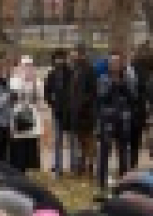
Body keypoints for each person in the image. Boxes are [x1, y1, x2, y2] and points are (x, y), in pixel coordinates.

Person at [96, 52, 135, 192]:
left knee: (123, 153)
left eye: (118, 62)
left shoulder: (128, 78)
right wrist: (112, 85)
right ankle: (101, 182)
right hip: (107, 120)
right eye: (112, 63)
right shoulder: (103, 78)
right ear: (109, 64)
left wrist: (123, 86)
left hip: (123, 119)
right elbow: (100, 98)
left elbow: (133, 98)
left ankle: (124, 183)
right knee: (104, 152)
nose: (115, 65)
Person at [67, 43, 98, 177]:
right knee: (80, 141)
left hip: (86, 112)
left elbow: (92, 92)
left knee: (88, 140)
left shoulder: (89, 70)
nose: (73, 55)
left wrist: (83, 104)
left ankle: (90, 166)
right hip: (76, 112)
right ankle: (82, 165)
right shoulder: (75, 69)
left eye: (76, 53)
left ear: (82, 54)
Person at [9, 55, 42, 173]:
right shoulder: (14, 80)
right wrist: (23, 82)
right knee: (19, 144)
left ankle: (29, 167)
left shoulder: (37, 81)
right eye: (25, 65)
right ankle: (18, 168)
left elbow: (38, 98)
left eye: (29, 65)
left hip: (31, 116)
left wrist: (33, 83)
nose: (27, 68)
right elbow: (14, 96)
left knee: (31, 143)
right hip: (18, 115)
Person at [44, 49, 72, 176]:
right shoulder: (51, 74)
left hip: (70, 111)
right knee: (58, 140)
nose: (59, 61)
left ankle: (73, 165)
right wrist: (52, 103)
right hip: (57, 111)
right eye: (57, 58)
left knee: (72, 139)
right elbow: (47, 92)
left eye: (61, 58)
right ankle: (58, 165)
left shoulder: (71, 73)